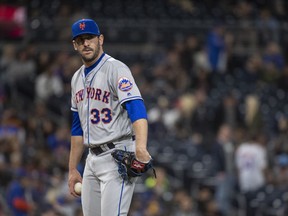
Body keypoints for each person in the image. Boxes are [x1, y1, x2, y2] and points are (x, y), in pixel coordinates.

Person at [67, 18, 151, 216]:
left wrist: (140, 146)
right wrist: (72, 169)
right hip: (91, 159)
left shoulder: (116, 68)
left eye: (90, 38)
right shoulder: (76, 78)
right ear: (75, 45)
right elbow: (77, 128)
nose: (86, 43)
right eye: (80, 40)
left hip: (117, 155)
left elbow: (136, 108)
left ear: (100, 39)